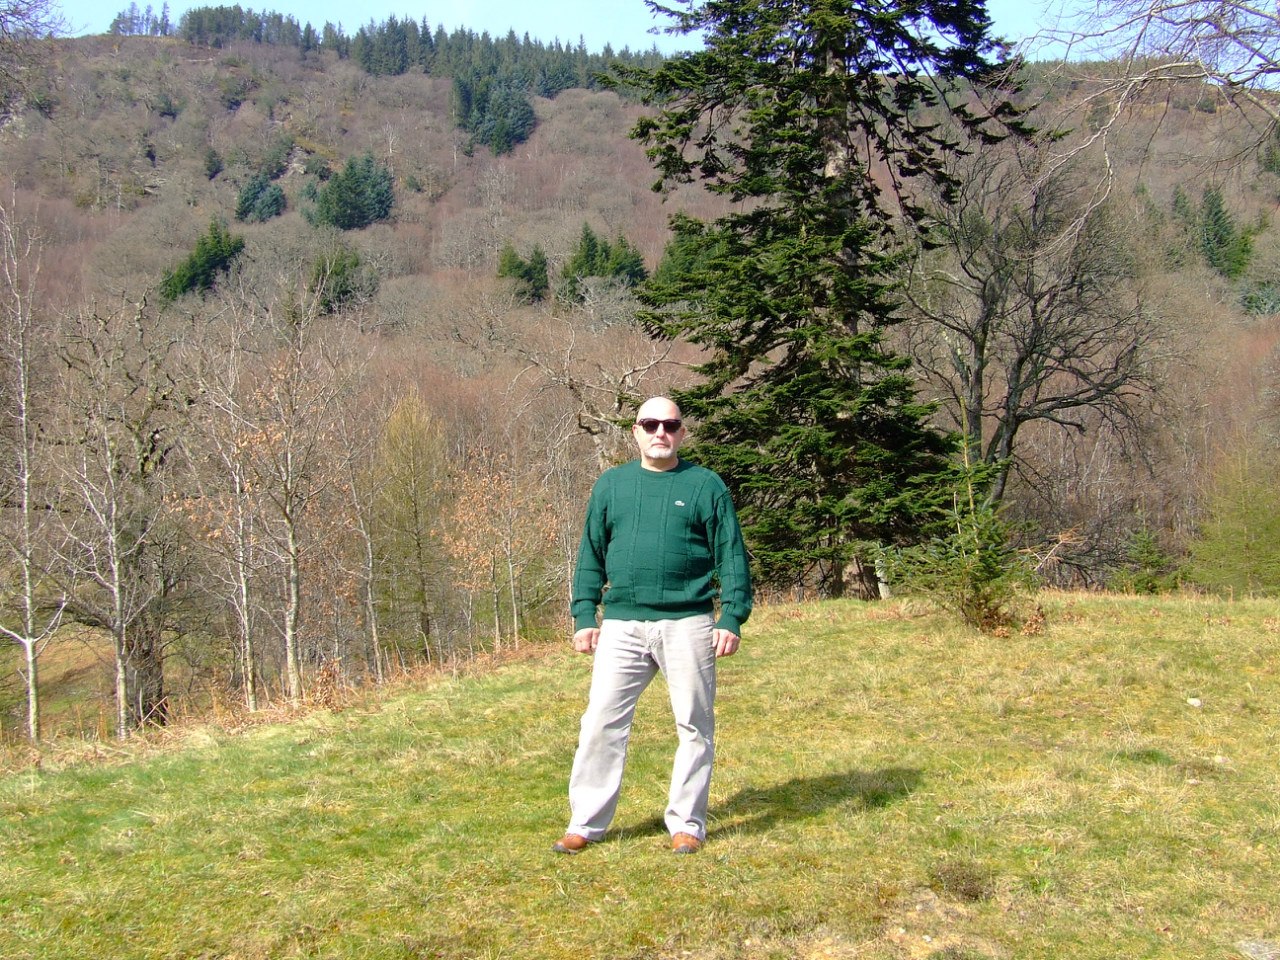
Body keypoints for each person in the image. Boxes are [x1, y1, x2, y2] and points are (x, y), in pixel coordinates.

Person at [553, 396, 753, 855]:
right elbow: (590, 554)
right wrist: (584, 614)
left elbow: (732, 555)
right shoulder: (612, 486)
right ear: (636, 432)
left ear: (682, 433)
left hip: (688, 623)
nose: (660, 432)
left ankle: (687, 824)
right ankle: (585, 823)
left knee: (694, 726)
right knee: (601, 722)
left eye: (670, 425)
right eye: (650, 424)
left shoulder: (705, 486)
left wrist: (732, 616)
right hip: (622, 625)